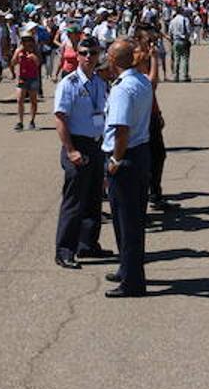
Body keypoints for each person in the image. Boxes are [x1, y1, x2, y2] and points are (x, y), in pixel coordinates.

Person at [101, 38, 155, 297]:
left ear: (114, 60)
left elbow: (121, 129)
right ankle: (127, 267)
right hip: (140, 153)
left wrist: (114, 160)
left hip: (126, 156)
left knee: (128, 221)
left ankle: (133, 282)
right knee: (126, 221)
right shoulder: (141, 80)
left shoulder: (123, 88)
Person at [52, 36, 111, 269]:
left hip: (96, 144)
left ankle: (88, 244)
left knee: (94, 197)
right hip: (76, 144)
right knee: (74, 200)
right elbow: (60, 118)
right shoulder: (69, 83)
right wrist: (71, 150)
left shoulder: (99, 82)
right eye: (84, 53)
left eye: (93, 53)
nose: (89, 57)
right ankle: (65, 249)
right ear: (77, 55)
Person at [10, 30, 42, 130]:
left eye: (29, 40)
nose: (27, 42)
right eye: (25, 40)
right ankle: (20, 121)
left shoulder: (35, 50)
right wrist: (17, 57)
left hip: (33, 78)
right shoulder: (19, 50)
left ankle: (32, 120)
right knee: (20, 100)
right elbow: (12, 63)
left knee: (33, 100)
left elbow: (39, 63)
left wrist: (34, 58)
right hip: (22, 78)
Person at [168, 9, 192, 82]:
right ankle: (185, 76)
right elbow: (188, 31)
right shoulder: (185, 20)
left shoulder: (173, 20)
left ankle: (176, 76)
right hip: (184, 40)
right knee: (185, 59)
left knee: (176, 58)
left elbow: (170, 32)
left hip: (176, 41)